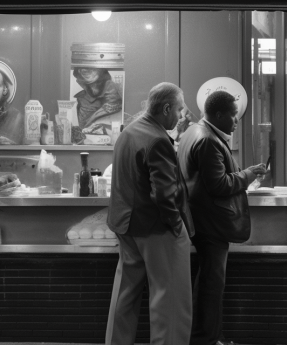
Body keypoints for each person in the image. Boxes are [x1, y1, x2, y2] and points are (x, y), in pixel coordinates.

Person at [105, 82, 194, 345]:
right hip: (156, 229)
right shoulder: (157, 140)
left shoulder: (130, 131)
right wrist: (178, 226)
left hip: (126, 226)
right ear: (166, 108)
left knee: (125, 295)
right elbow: (164, 195)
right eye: (179, 110)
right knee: (170, 300)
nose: (180, 116)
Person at [178, 90, 267, 345]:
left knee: (207, 281)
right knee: (211, 285)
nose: (237, 121)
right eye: (233, 116)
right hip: (211, 223)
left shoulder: (195, 131)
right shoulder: (208, 140)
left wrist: (245, 172)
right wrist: (248, 175)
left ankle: (206, 336)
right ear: (218, 115)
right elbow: (218, 185)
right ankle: (207, 339)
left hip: (200, 219)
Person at [73, 67, 123, 136]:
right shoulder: (83, 100)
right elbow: (83, 129)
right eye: (82, 69)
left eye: (91, 69)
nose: (85, 71)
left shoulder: (112, 90)